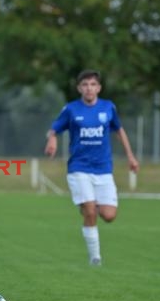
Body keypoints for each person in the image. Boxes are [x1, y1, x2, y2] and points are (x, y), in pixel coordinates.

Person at [44, 69, 139, 266]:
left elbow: (119, 131)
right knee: (90, 211)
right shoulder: (71, 109)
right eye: (85, 85)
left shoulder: (108, 107)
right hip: (79, 168)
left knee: (109, 215)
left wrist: (130, 156)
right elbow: (53, 130)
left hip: (103, 169)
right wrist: (52, 140)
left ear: (99, 88)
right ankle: (95, 258)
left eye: (93, 84)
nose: (89, 88)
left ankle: (89, 205)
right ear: (79, 88)